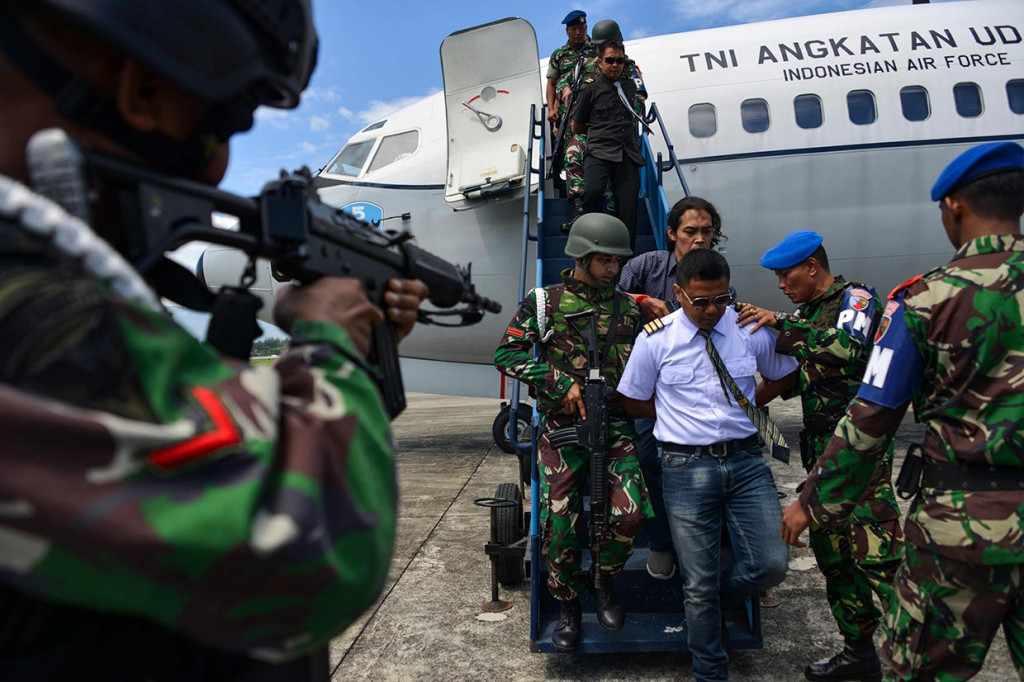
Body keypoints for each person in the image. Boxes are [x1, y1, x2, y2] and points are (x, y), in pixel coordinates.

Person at [0, 1, 428, 679]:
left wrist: (338, 336)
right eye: (226, 121)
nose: (218, 168)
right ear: (142, 91)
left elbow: (193, 435)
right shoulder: (36, 321)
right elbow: (305, 556)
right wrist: (330, 343)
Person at [781, 141, 1024, 681]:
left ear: (954, 207)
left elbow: (872, 415)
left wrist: (812, 502)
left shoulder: (924, 302)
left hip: (963, 525)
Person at [619, 248, 796, 682]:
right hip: (684, 466)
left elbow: (785, 372)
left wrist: (754, 405)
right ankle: (710, 672)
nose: (712, 310)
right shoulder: (656, 339)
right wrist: (676, 419)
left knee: (770, 565)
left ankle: (713, 604)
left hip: (746, 462)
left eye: (721, 298)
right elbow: (632, 398)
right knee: (696, 582)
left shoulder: (746, 329)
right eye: (701, 301)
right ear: (679, 293)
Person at [738, 230, 903, 682]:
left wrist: (780, 324)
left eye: (786, 274)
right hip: (823, 461)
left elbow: (848, 351)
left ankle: (916, 659)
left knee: (878, 559)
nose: (780, 285)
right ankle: (858, 651)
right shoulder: (806, 315)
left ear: (812, 267)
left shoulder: (856, 300)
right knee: (836, 562)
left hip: (862, 459)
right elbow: (798, 375)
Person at [494, 213, 650, 652]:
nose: (612, 269)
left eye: (617, 262)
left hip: (615, 426)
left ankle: (604, 580)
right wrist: (559, 383)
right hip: (563, 429)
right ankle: (567, 603)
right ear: (581, 256)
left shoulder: (630, 307)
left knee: (630, 514)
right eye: (604, 260)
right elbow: (506, 353)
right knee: (560, 526)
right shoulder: (545, 302)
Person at [617, 195, 725, 580]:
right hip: (654, 393)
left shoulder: (716, 272)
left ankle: (715, 546)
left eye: (707, 232)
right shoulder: (646, 266)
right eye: (690, 231)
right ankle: (662, 541)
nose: (699, 240)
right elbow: (603, 297)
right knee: (648, 462)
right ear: (671, 233)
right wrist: (641, 301)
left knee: (727, 462)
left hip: (700, 391)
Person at [558, 18, 645, 233]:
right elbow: (564, 80)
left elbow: (639, 96)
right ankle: (580, 210)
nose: (614, 63)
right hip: (589, 130)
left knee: (626, 200)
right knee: (573, 153)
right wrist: (565, 90)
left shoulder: (628, 67)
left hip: (618, 136)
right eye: (600, 46)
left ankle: (614, 207)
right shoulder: (584, 64)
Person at [546, 10, 592, 138]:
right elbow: (551, 84)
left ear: (586, 28)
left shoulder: (597, 49)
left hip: (593, 106)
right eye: (573, 29)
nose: (578, 32)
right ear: (567, 31)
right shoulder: (559, 55)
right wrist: (551, 109)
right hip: (568, 110)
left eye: (581, 28)